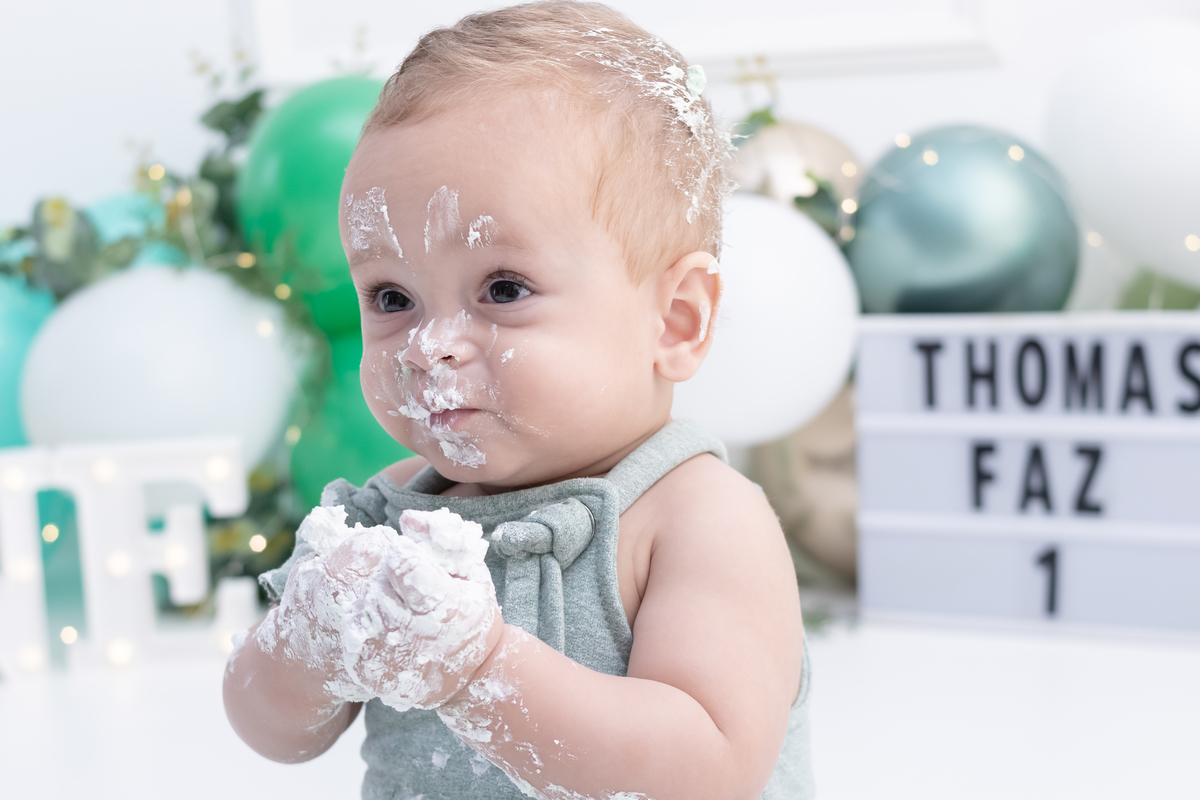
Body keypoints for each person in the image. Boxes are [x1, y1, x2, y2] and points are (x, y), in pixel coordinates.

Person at [223, 3, 811, 798]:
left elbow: (705, 768)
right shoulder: (385, 517)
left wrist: (478, 666)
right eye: (391, 297)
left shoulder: (696, 520)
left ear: (674, 320)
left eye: (503, 289)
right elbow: (272, 733)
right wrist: (304, 644)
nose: (431, 345)